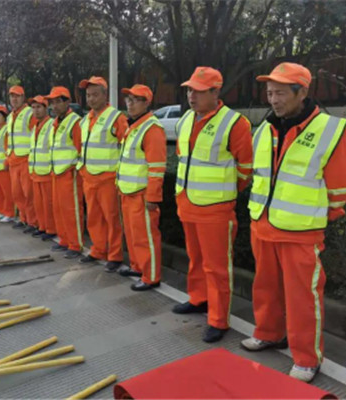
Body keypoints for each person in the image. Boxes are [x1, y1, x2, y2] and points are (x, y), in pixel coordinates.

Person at [240, 62, 346, 382]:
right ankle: (268, 332)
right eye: (269, 93)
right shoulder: (265, 128)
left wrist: (321, 214)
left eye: (280, 93)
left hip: (301, 231)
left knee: (303, 297)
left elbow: (343, 185)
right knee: (265, 287)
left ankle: (307, 357)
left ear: (302, 92)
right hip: (262, 223)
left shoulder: (331, 129)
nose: (273, 99)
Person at [171, 67, 254, 343]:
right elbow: (185, 160)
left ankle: (218, 318)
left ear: (216, 92)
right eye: (189, 90)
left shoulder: (234, 123)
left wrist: (225, 192)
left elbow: (245, 169)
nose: (191, 96)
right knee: (196, 259)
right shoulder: (185, 120)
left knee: (217, 266)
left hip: (216, 208)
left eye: (198, 91)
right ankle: (198, 299)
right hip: (187, 202)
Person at [116, 84, 166, 291]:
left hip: (142, 193)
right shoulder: (134, 125)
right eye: (128, 99)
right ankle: (138, 267)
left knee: (145, 236)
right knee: (134, 234)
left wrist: (152, 197)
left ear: (147, 103)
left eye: (135, 99)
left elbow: (157, 167)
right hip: (129, 191)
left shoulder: (151, 128)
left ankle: (151, 275)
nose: (130, 103)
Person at [77, 76, 129, 271]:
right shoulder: (85, 120)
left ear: (105, 95)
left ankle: (115, 256)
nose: (91, 99)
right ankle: (98, 250)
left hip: (108, 177)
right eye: (88, 95)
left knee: (111, 218)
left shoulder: (116, 118)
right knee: (94, 216)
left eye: (95, 95)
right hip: (89, 176)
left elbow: (127, 147)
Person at [46, 86, 84, 259]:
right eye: (52, 103)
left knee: (71, 209)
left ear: (67, 102)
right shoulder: (56, 122)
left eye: (57, 102)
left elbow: (79, 148)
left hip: (69, 172)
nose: (54, 106)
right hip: (57, 171)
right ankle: (64, 240)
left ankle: (75, 244)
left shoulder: (74, 122)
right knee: (59, 208)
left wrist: (74, 168)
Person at [6, 86, 39, 232]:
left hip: (25, 159)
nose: (14, 99)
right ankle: (23, 218)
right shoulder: (10, 116)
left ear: (23, 97)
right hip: (14, 159)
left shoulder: (28, 114)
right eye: (12, 96)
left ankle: (33, 221)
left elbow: (36, 134)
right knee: (17, 193)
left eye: (17, 96)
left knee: (28, 194)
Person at [28, 95, 57, 238]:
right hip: (36, 171)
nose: (36, 111)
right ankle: (42, 226)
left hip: (46, 171)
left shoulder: (51, 125)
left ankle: (51, 229)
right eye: (33, 108)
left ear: (46, 108)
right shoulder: (36, 127)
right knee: (39, 203)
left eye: (39, 107)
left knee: (48, 204)